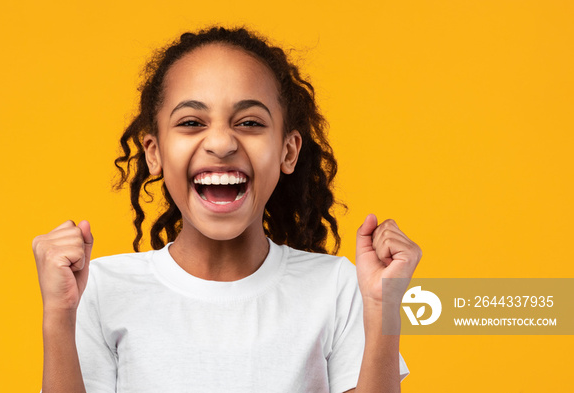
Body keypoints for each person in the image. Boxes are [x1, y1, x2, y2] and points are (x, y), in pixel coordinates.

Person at [32, 26, 422, 393]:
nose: (220, 142)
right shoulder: (100, 288)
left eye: (250, 122)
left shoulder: (337, 287)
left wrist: (382, 307)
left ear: (288, 152)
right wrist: (58, 317)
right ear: (154, 154)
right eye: (190, 122)